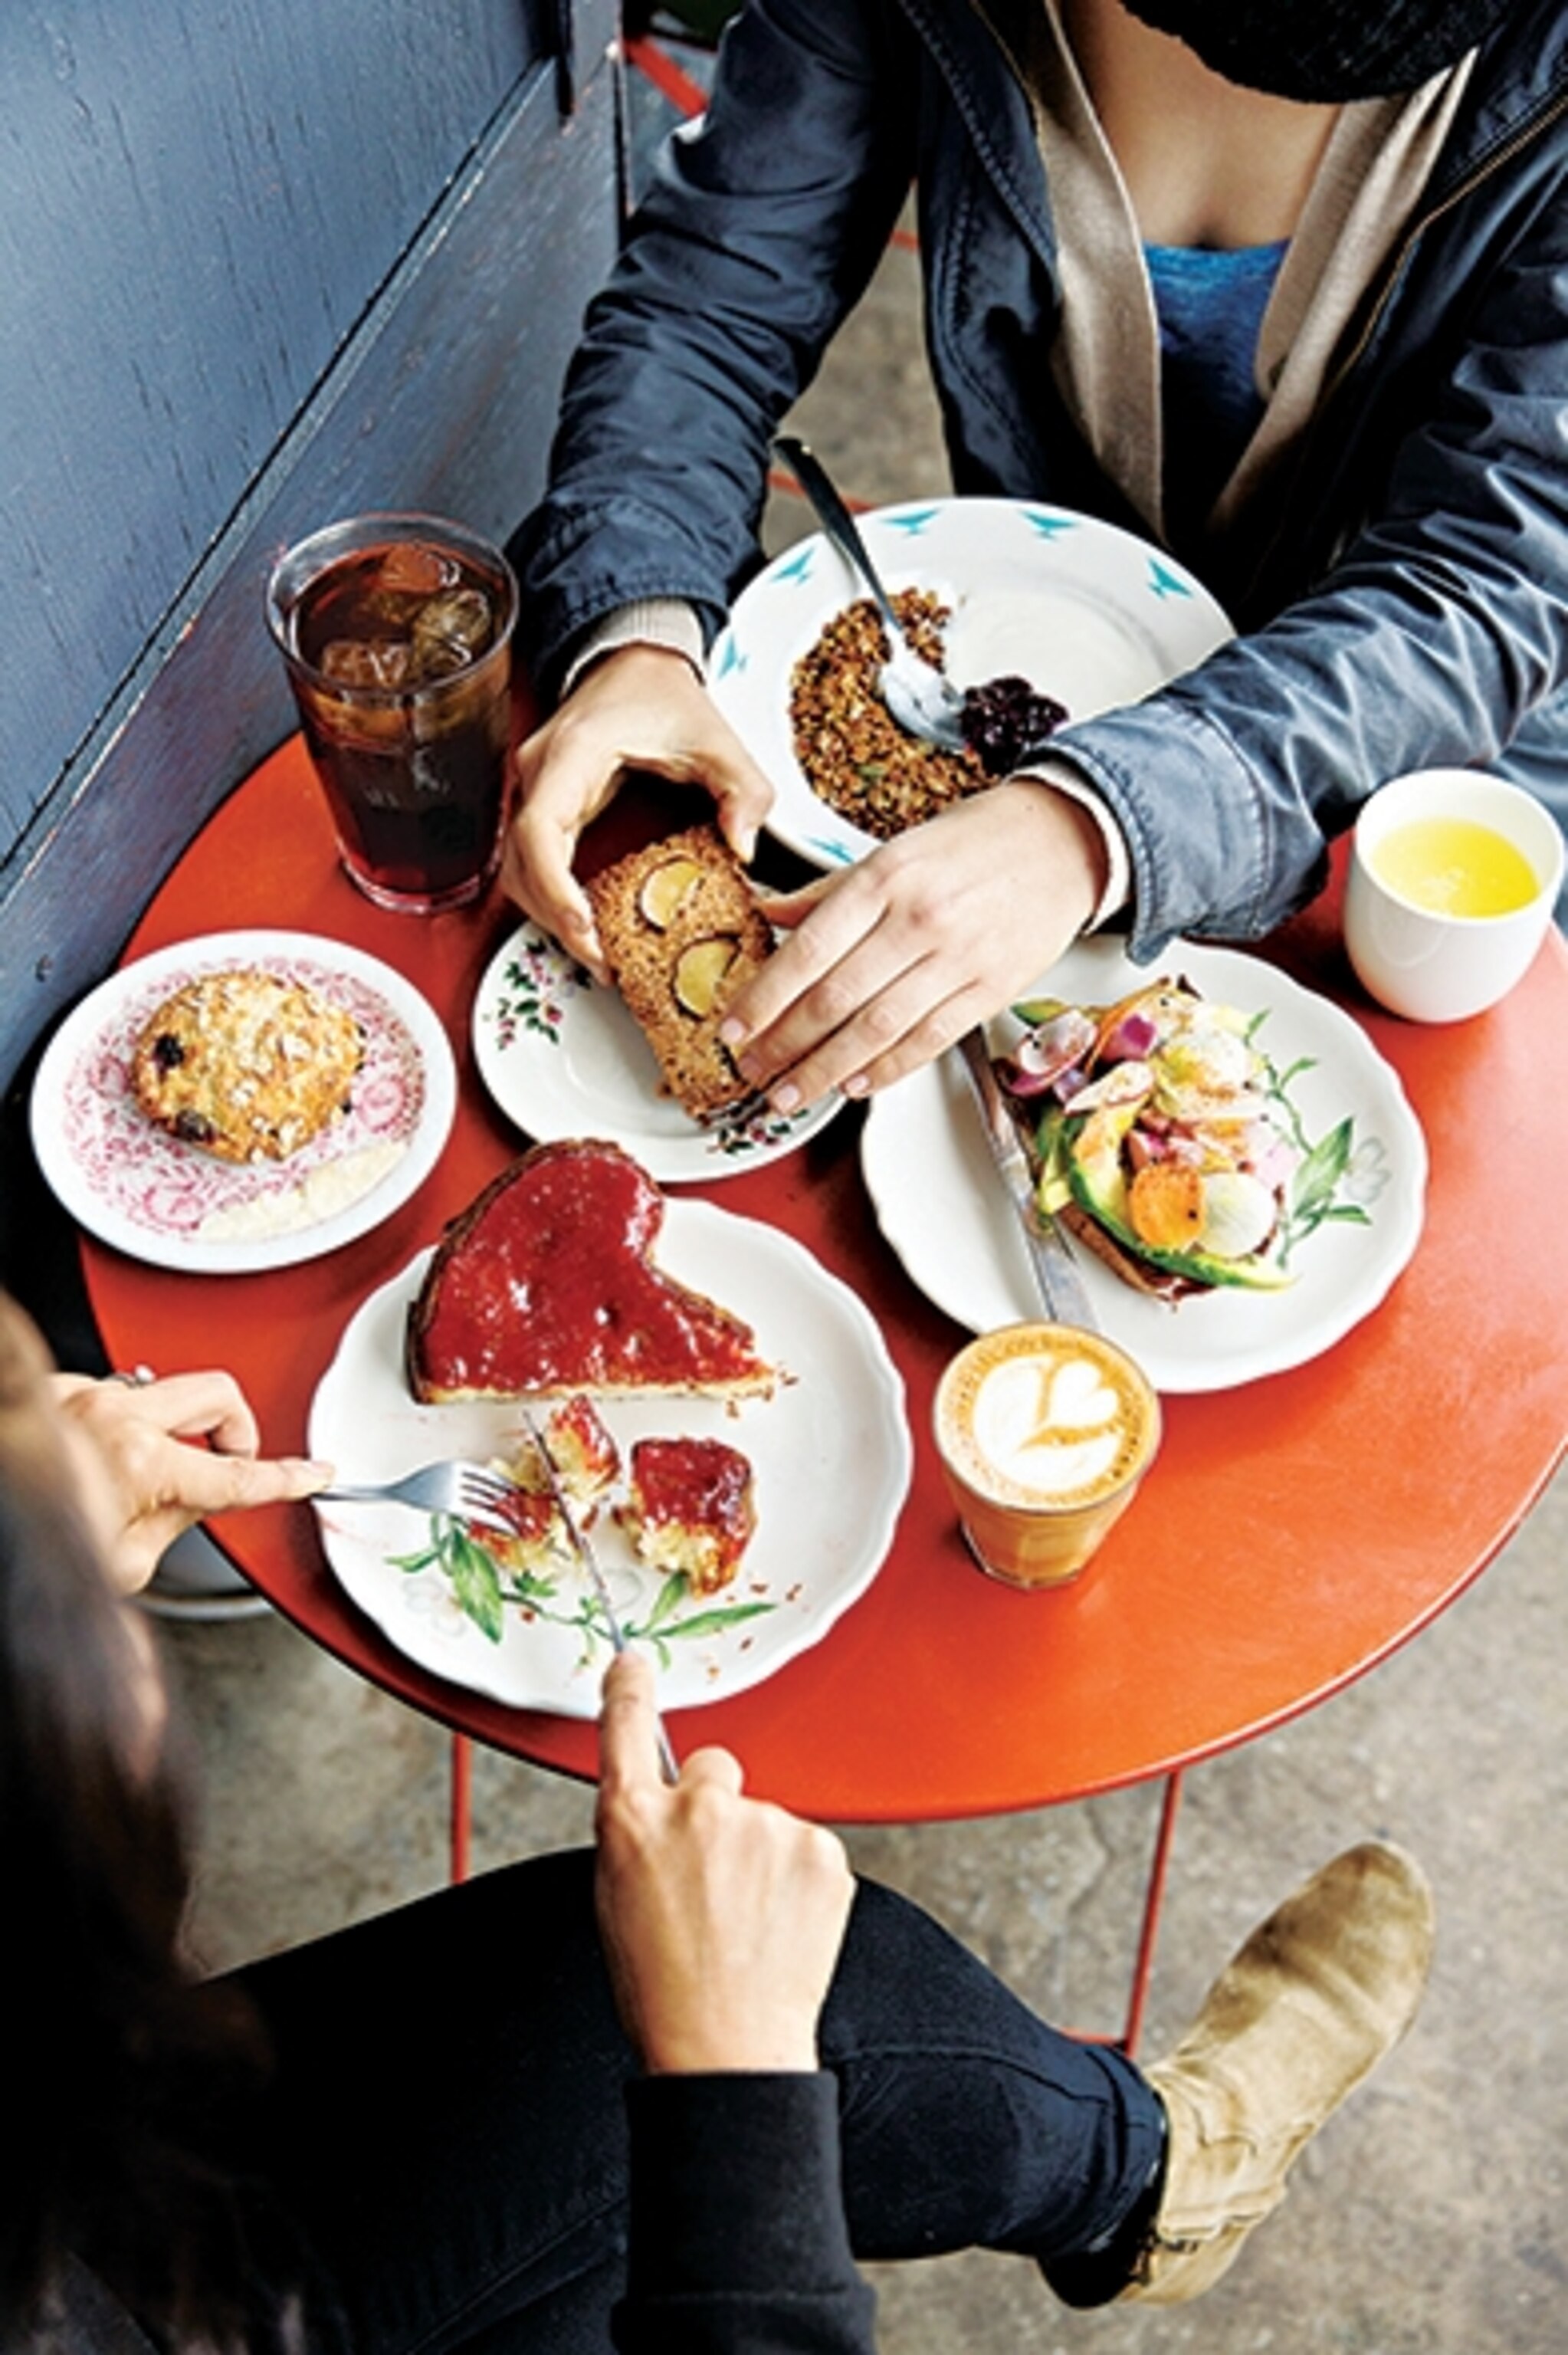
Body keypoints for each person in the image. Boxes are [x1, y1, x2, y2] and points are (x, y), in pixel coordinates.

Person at [5, 1286, 1435, 2351]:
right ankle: (1158, 2174)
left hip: (88, 2194)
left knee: (786, 1978)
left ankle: (1157, 2185)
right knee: (770, 2027)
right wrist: (729, 2081)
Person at [504, 0, 1567, 1117]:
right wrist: (640, 633)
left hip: (1425, 797)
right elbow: (710, 308)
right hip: (1011, 780)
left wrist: (1090, 825)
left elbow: (1487, 578)